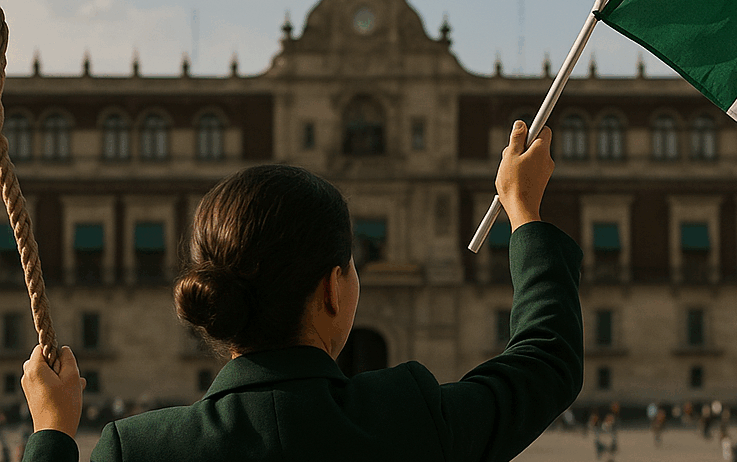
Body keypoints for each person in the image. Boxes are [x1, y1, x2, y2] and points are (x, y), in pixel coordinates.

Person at [20, 120, 584, 462]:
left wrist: (52, 432)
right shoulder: (408, 419)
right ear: (331, 289)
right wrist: (524, 214)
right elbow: (547, 360)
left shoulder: (138, 451)